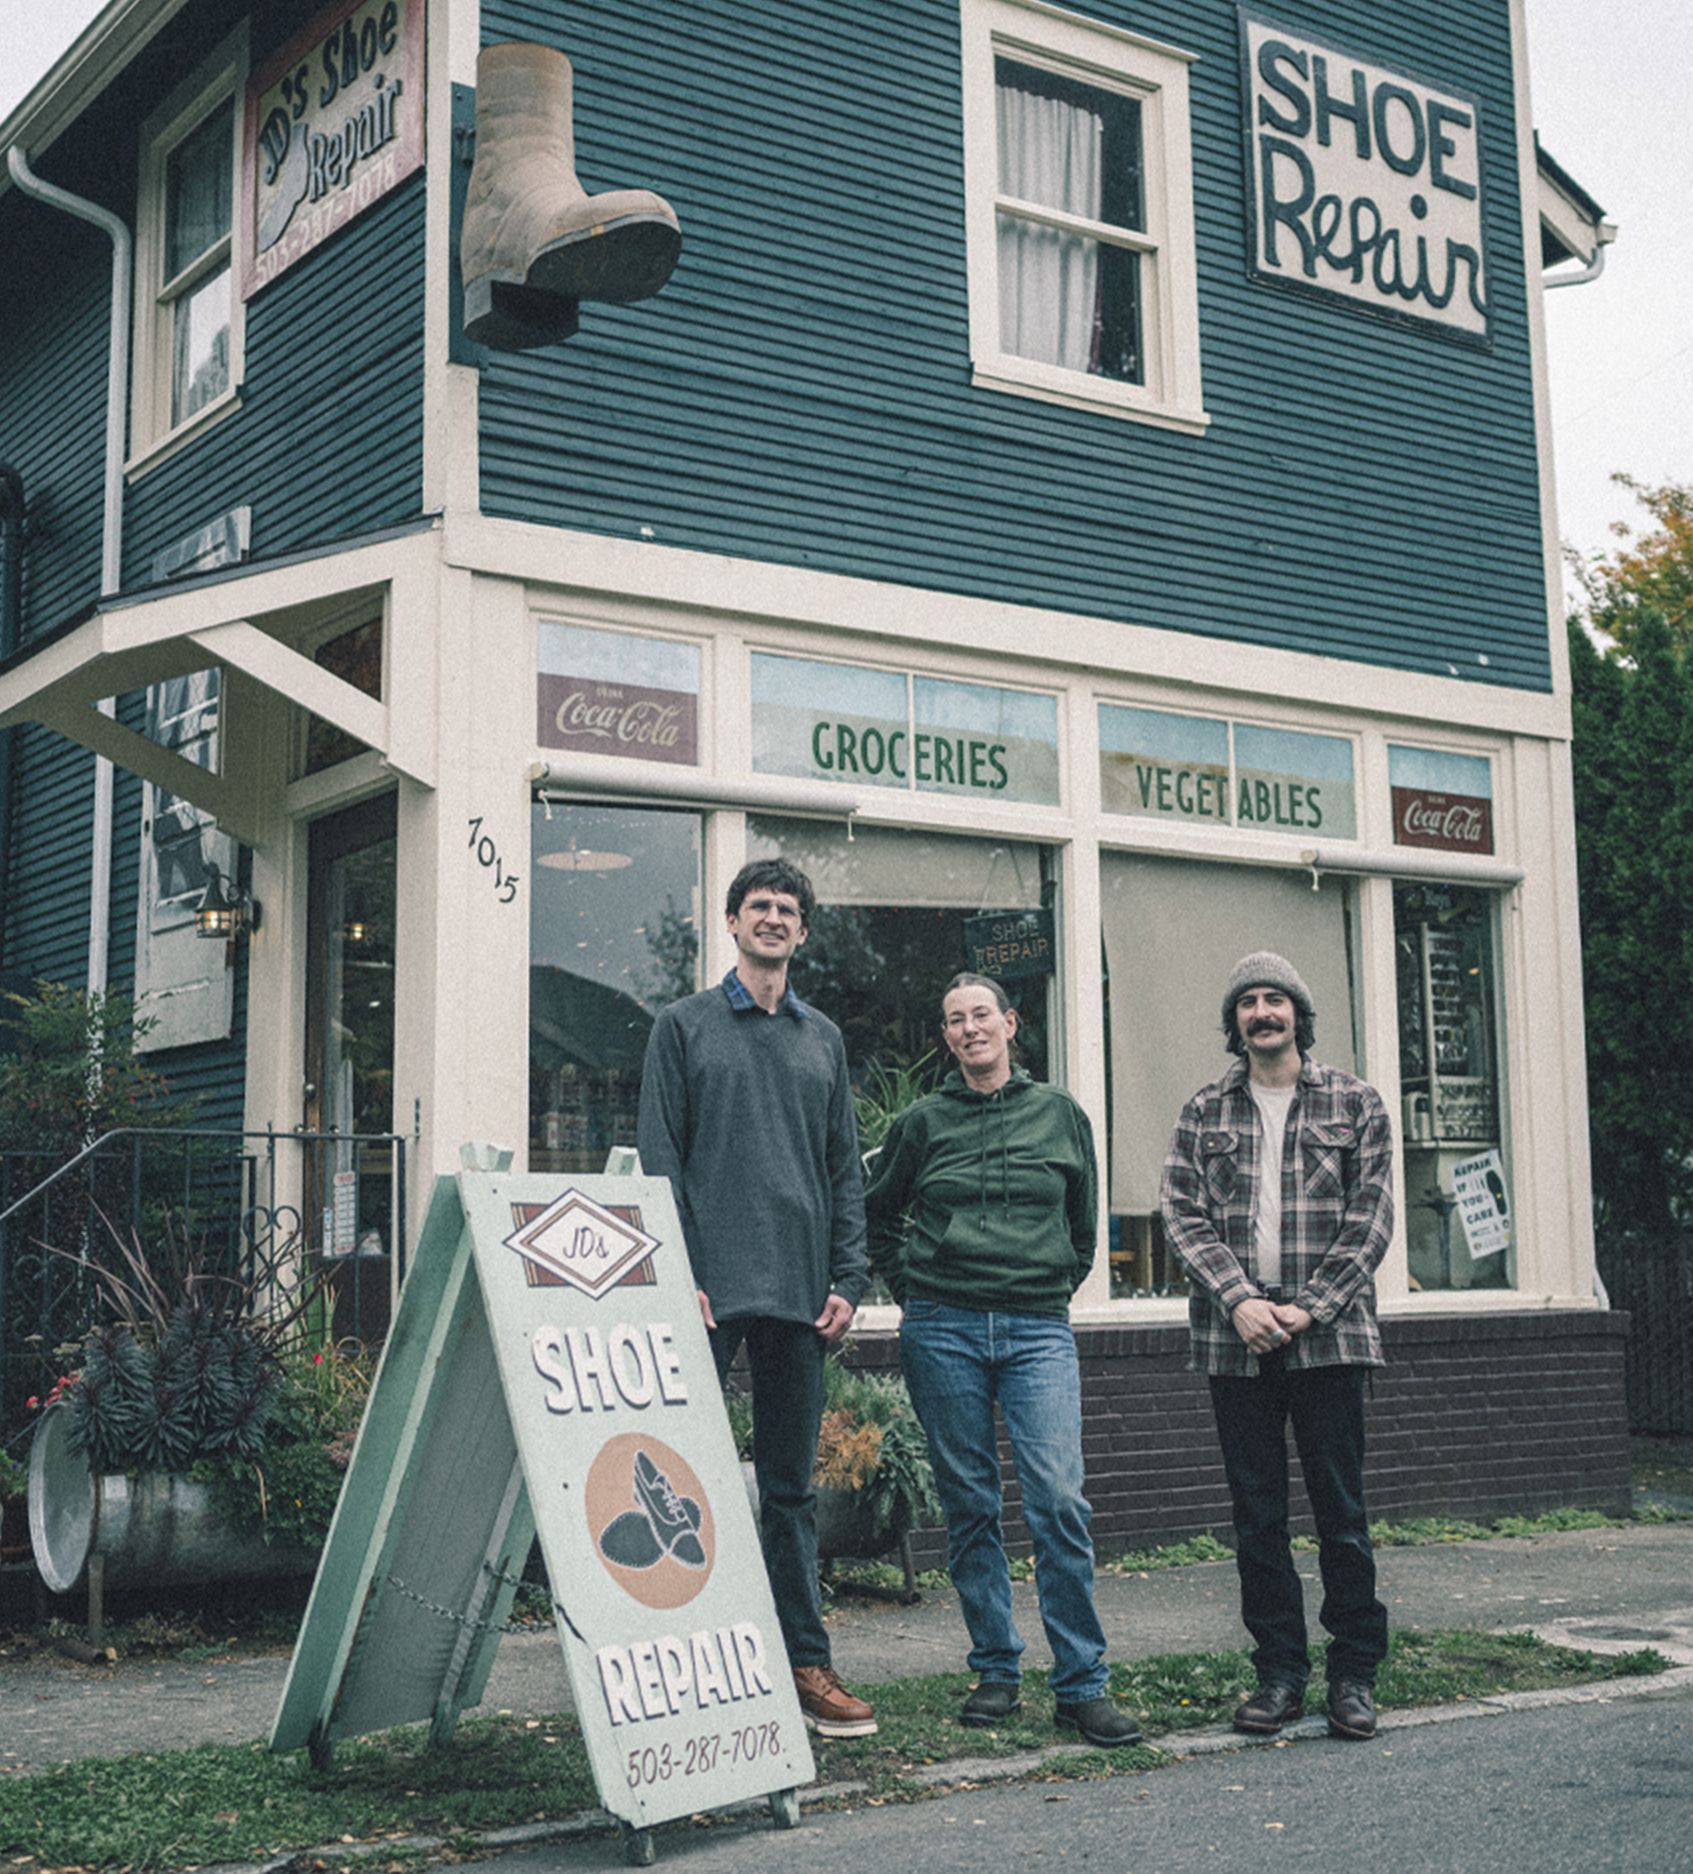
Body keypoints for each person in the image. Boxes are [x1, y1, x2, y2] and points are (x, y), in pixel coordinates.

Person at [863, 972, 1141, 1748]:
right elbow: (876, 1211)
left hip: (1035, 1331)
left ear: (1010, 1024)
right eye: (954, 1020)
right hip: (941, 1328)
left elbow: (1082, 1224)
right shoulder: (923, 1122)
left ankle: (1082, 1684)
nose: (969, 1029)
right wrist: (913, 1288)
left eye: (981, 1014)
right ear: (946, 1038)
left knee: (1057, 1499)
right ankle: (995, 1669)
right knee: (970, 1504)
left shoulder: (1059, 1114)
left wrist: (1047, 1282)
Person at [637, 857, 877, 1738]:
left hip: (800, 1297)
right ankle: (682, 1667)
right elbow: (659, 1159)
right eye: (758, 907)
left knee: (789, 1494)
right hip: (706, 1294)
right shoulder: (683, 1026)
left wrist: (849, 1279)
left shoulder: (822, 1038)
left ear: (801, 932)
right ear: (732, 923)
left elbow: (841, 1169)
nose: (772, 920)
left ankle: (805, 1665)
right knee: (673, 1487)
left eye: (787, 910)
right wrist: (679, 1275)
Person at [1159, 952, 1394, 1741]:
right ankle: (1280, 1675)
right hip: (1237, 1342)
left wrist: (1307, 1310)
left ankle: (1353, 1676)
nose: (1262, 1013)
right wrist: (1240, 1301)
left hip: (1329, 1340)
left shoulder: (1355, 1103)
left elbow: (1370, 1220)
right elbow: (1180, 1216)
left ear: (1298, 1013)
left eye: (1275, 1000)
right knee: (1257, 1516)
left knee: (1341, 1512)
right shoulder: (1202, 1111)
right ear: (1233, 1022)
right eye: (1248, 1003)